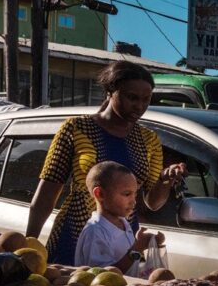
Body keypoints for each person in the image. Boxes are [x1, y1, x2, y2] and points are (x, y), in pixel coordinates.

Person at [25, 62, 186, 267]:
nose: (139, 106)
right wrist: (28, 245)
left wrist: (165, 181)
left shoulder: (148, 140)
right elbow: (46, 195)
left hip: (124, 242)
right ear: (110, 91)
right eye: (132, 98)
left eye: (146, 100)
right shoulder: (76, 129)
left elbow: (151, 203)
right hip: (75, 235)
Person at [74, 161, 163, 277]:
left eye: (135, 194)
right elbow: (103, 277)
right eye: (127, 194)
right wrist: (136, 249)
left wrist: (145, 243)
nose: (133, 201)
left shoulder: (123, 223)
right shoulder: (95, 231)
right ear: (100, 194)